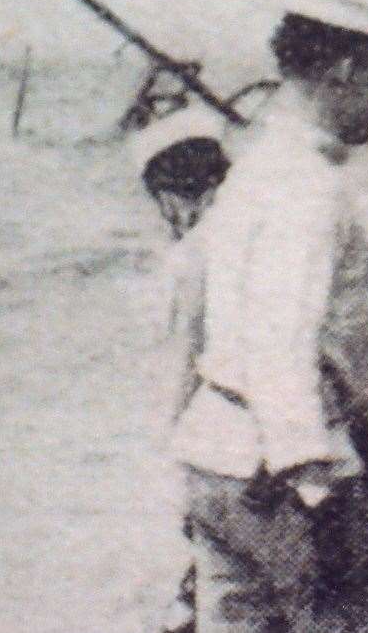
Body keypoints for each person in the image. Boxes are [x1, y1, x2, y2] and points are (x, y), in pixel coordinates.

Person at [168, 0, 368, 633]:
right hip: (277, 469)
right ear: (346, 69)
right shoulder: (307, 187)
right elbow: (280, 343)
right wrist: (314, 481)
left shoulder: (254, 168)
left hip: (215, 454)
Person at [134, 105, 235, 633]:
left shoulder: (188, 258)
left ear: (171, 200)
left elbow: (179, 379)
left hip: (225, 464)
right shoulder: (269, 229)